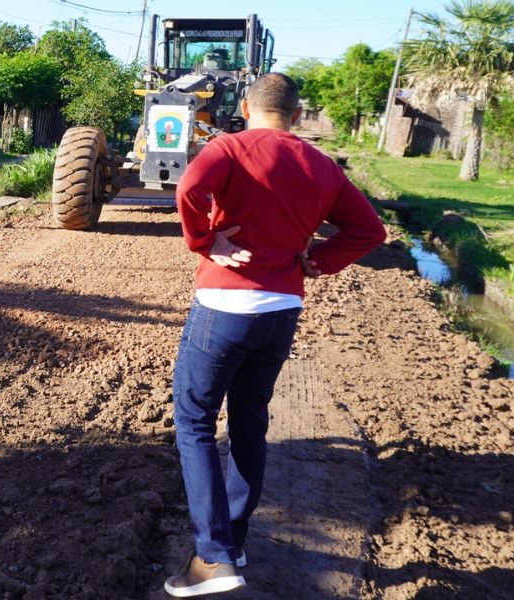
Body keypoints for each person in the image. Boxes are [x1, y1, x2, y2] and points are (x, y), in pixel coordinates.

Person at [164, 73, 386, 597]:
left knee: (194, 421)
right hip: (282, 309)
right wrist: (318, 260)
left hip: (225, 304)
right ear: (298, 112)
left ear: (244, 105)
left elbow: (189, 188)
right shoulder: (322, 165)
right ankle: (234, 543)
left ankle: (213, 560)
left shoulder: (230, 147)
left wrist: (205, 241)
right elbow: (370, 231)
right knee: (249, 422)